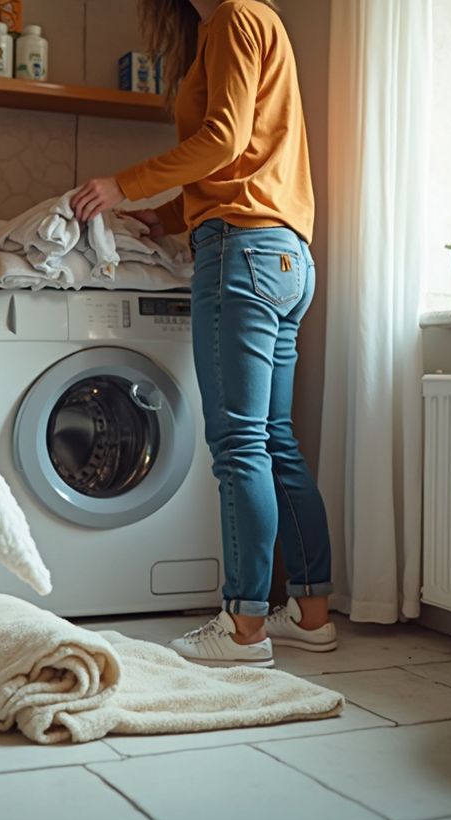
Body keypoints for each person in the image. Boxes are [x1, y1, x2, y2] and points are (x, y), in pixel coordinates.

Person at [69, 0, 335, 668]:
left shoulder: (233, 18)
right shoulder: (259, 19)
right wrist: (167, 215)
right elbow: (245, 157)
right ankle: (311, 611)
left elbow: (222, 139)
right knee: (274, 438)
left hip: (241, 250)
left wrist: (120, 186)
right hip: (286, 252)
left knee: (240, 442)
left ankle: (244, 627)